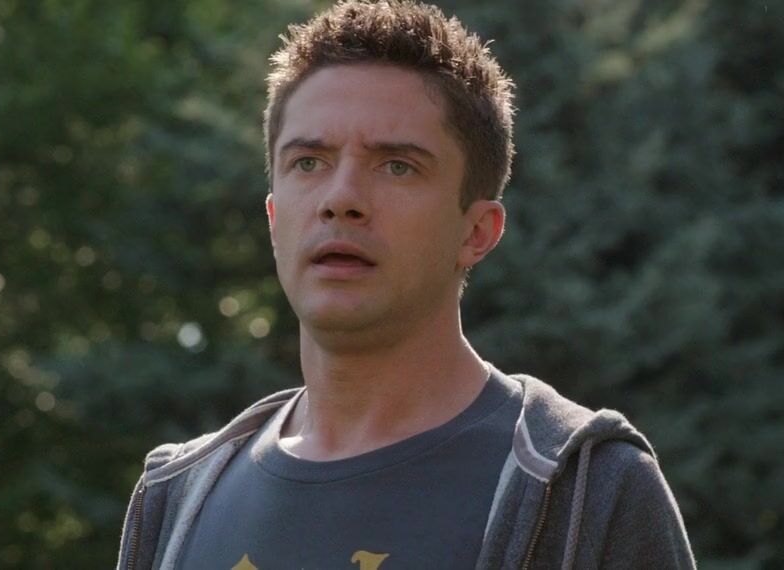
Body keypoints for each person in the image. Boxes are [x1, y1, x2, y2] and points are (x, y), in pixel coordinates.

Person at [116, 1, 695, 568]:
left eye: (397, 166)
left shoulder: (588, 492)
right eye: (309, 162)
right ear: (273, 218)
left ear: (477, 232)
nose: (341, 199)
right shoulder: (176, 498)